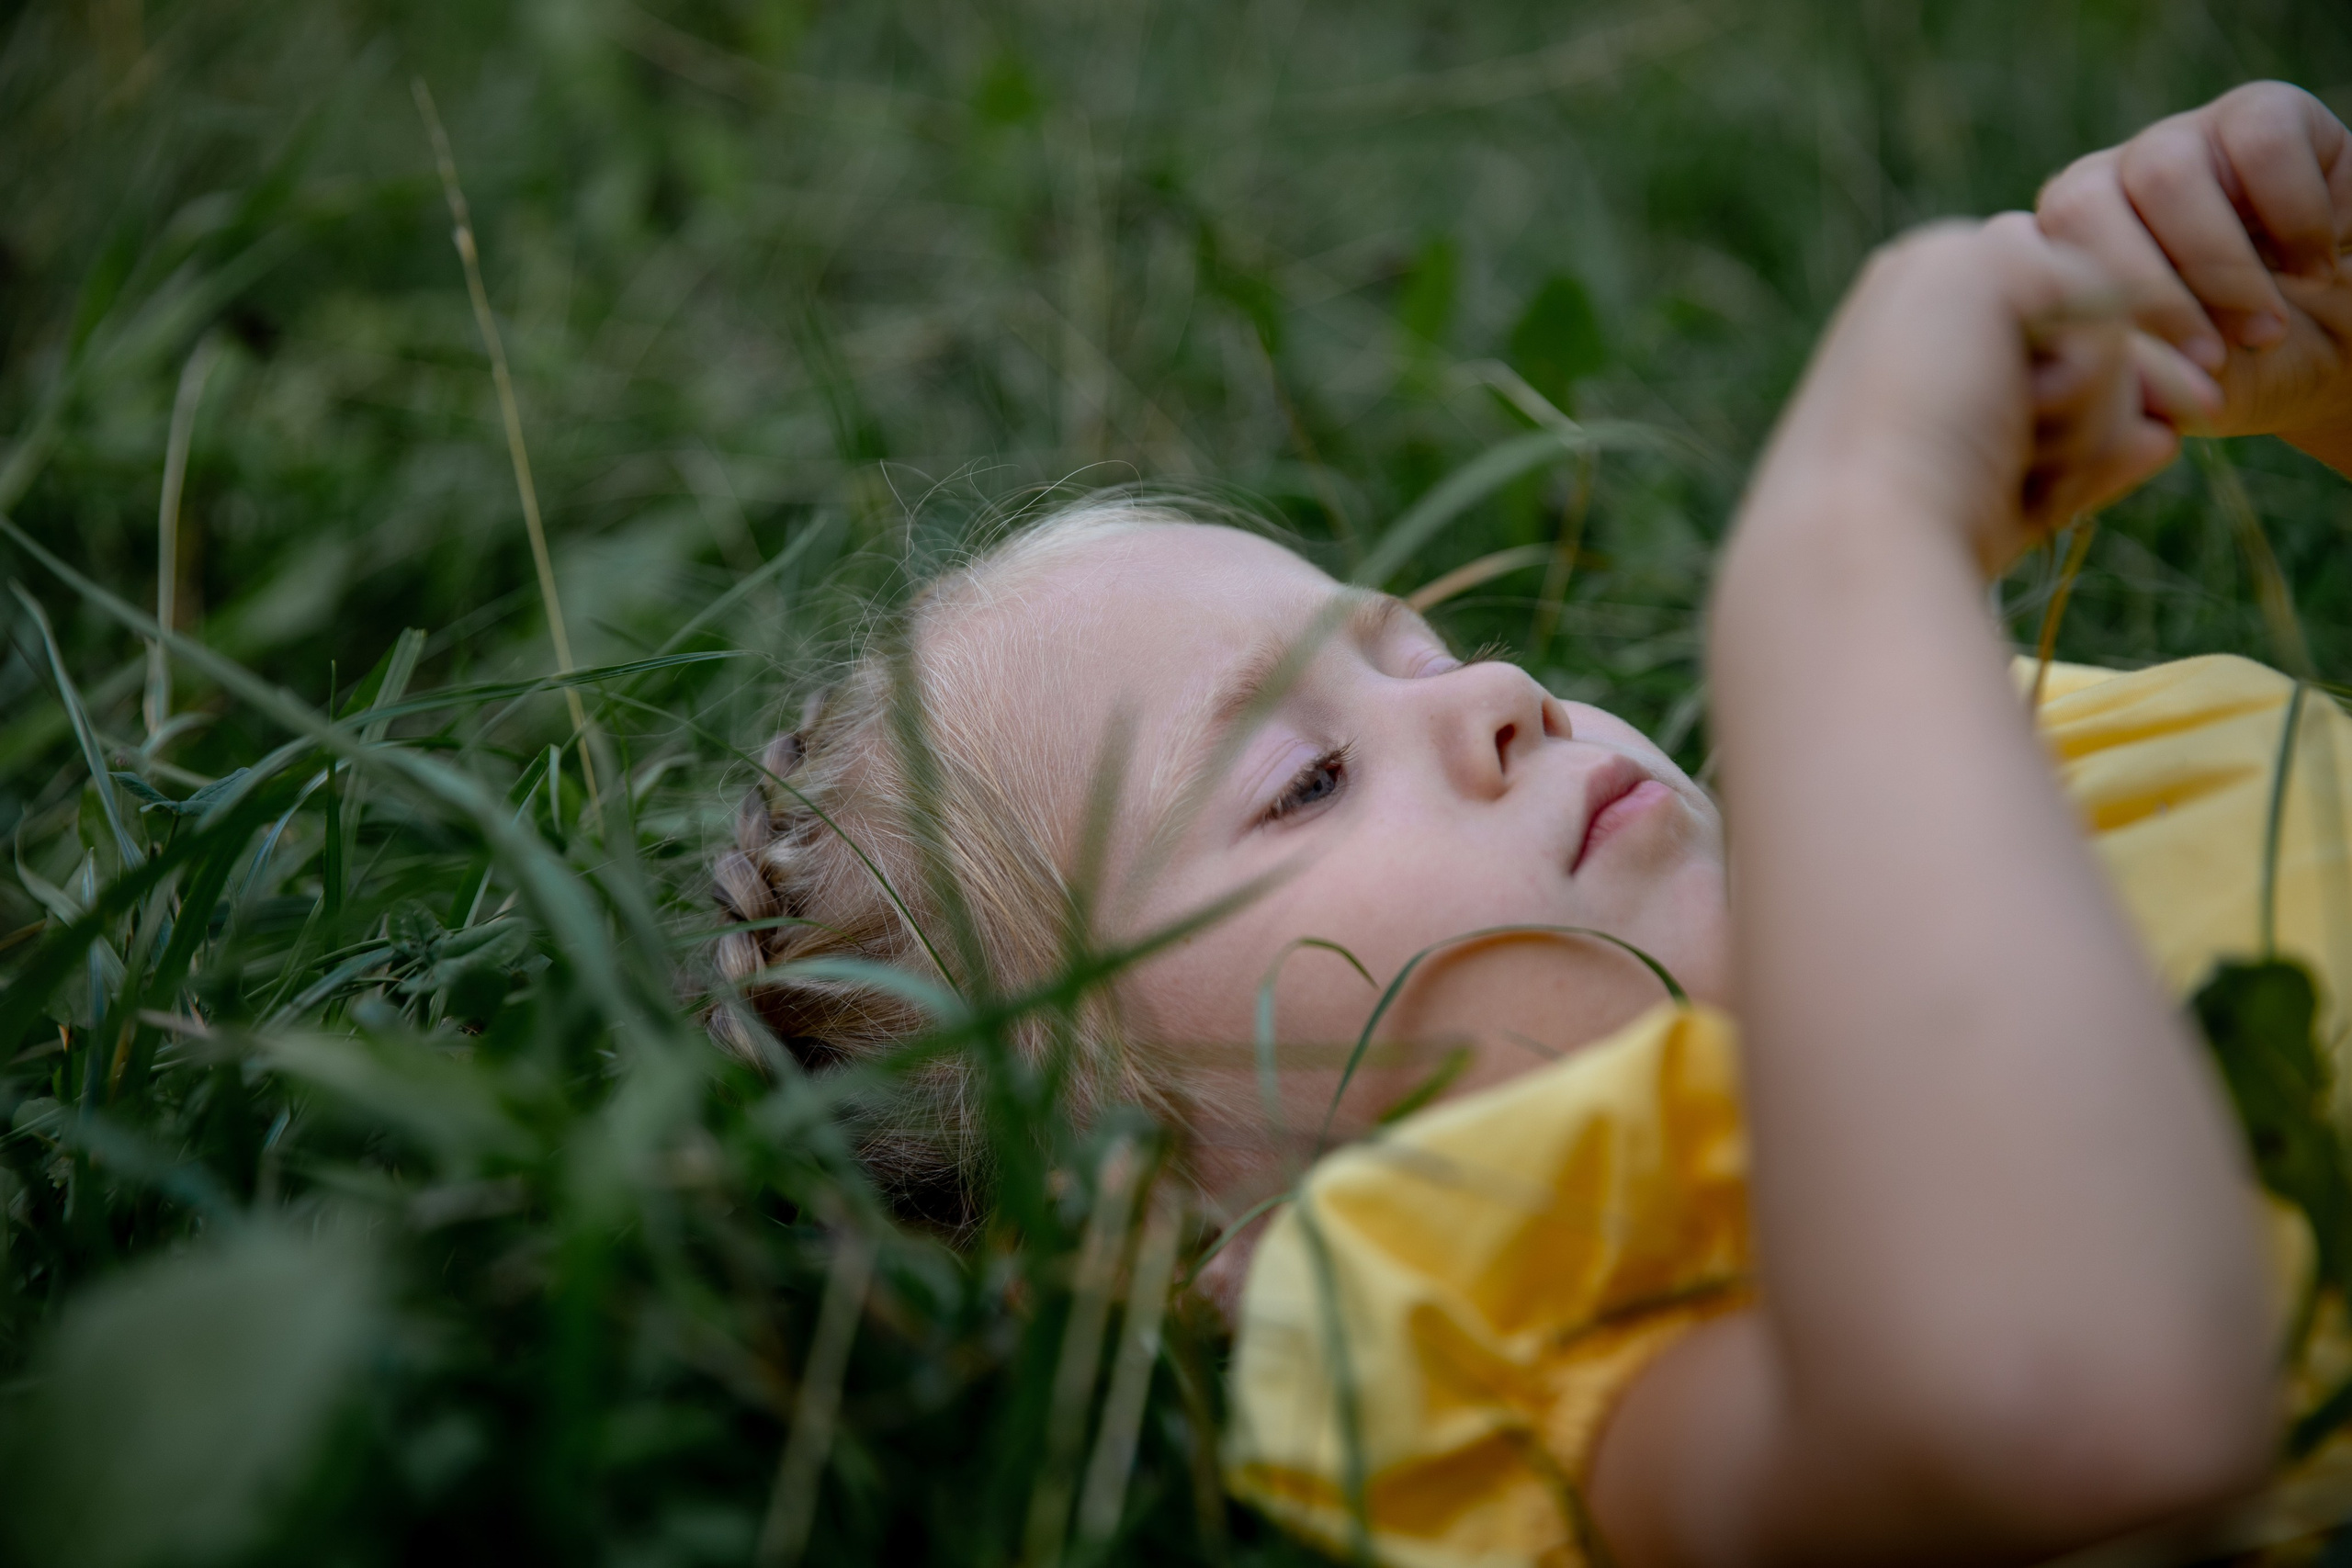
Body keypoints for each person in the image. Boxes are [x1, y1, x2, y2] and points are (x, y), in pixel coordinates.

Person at [708, 82, 2352, 1564]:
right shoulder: (1510, 1321)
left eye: (1418, 650)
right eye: (1306, 780)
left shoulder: (2020, 751)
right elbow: (2081, 1408)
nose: (1497, 694)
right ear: (1156, 1211)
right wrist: (1846, 559)